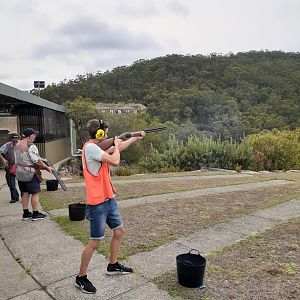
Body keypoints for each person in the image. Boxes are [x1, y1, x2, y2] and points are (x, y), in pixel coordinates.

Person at [75, 119, 145, 294]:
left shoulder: (98, 148)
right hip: (97, 203)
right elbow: (115, 161)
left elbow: (117, 149)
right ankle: (81, 277)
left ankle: (113, 265)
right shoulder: (91, 148)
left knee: (119, 231)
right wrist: (116, 142)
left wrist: (135, 137)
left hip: (108, 199)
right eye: (105, 133)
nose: (107, 135)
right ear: (99, 134)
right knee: (94, 242)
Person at [15, 128, 53, 220]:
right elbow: (36, 161)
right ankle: (36, 213)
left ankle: (26, 213)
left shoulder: (18, 144)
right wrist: (47, 167)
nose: (35, 136)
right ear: (30, 136)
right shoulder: (31, 146)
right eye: (34, 134)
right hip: (30, 173)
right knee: (35, 192)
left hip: (20, 172)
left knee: (24, 192)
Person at [0, 132, 21, 203]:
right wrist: (3, 159)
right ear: (11, 139)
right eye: (14, 140)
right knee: (11, 184)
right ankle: (15, 197)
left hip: (20, 167)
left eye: (17, 140)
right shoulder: (6, 146)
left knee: (23, 184)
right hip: (10, 167)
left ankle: (24, 197)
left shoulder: (22, 145)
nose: (16, 142)